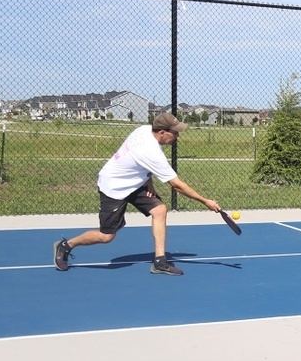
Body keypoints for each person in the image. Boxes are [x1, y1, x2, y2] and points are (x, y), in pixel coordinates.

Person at [54, 113, 221, 275]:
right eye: (175, 132)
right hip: (114, 186)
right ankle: (66, 245)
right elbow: (176, 185)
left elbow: (138, 162)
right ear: (162, 132)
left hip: (134, 182)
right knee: (106, 236)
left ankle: (160, 262)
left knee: (160, 210)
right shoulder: (150, 151)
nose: (177, 136)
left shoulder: (144, 129)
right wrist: (205, 201)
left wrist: (147, 182)